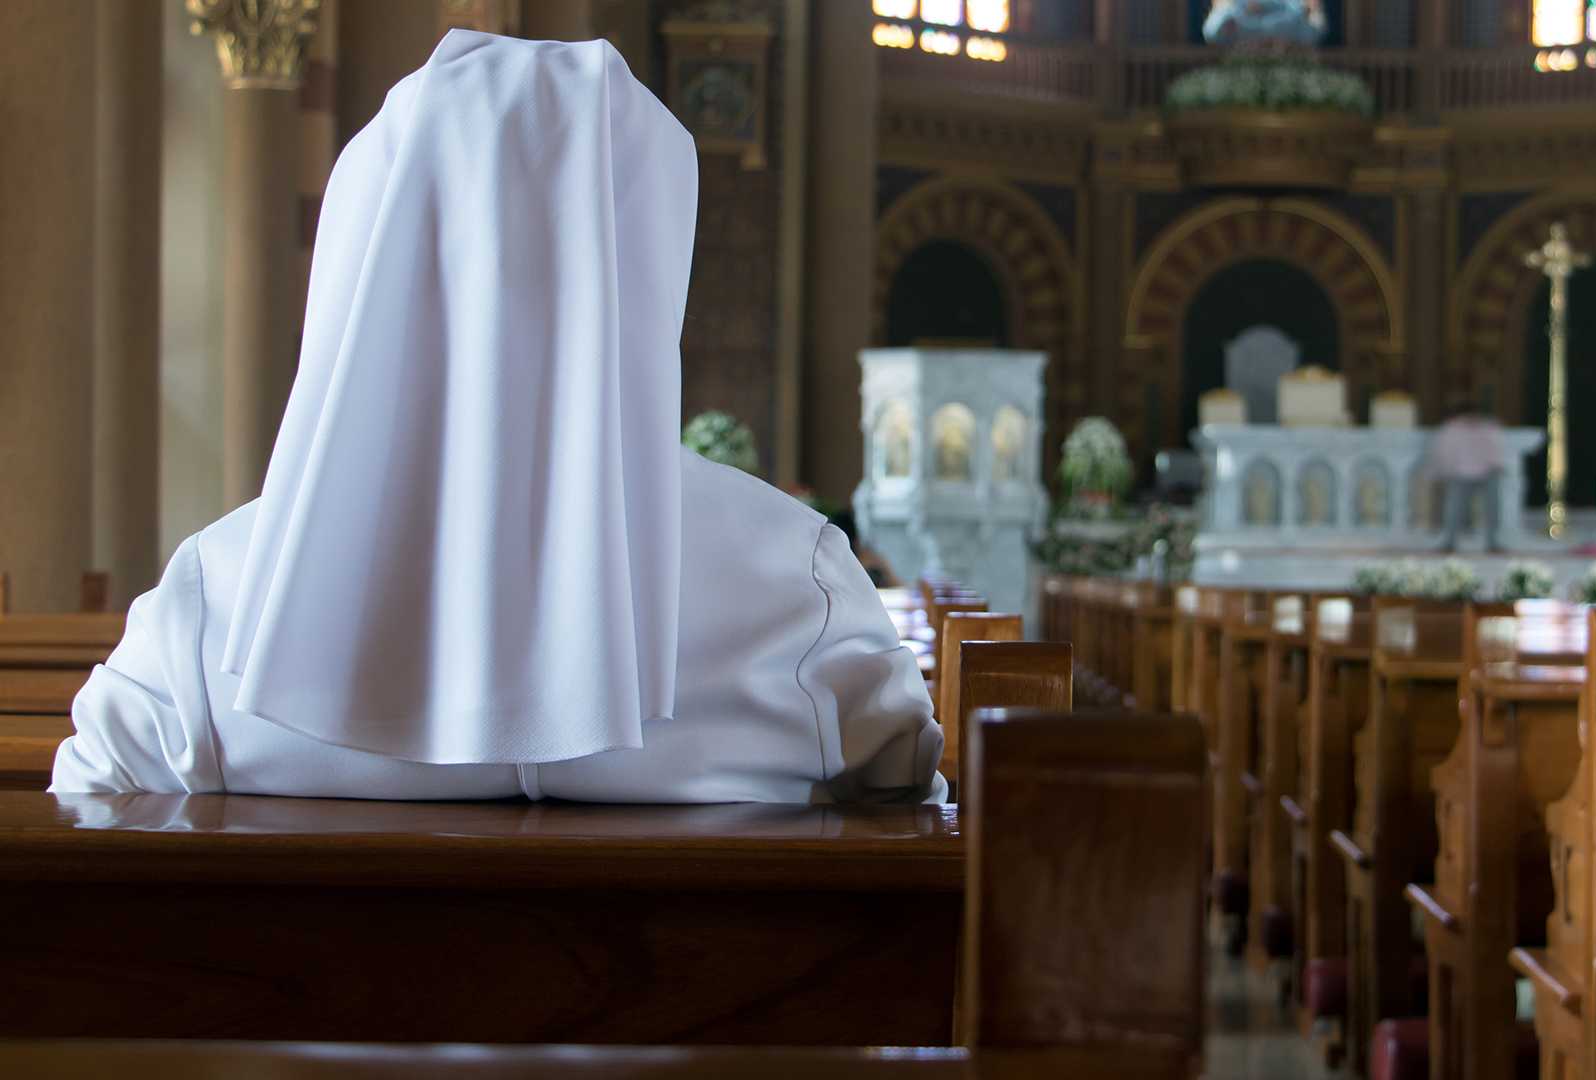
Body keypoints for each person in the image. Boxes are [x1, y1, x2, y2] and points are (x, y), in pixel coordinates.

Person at [51, 33, 944, 804]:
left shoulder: (215, 608)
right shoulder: (798, 587)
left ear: (369, 257)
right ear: (645, 267)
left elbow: (79, 836)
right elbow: (919, 824)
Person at [1431, 403, 1506, 553]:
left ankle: (1492, 542)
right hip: (1461, 474)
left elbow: (1495, 447)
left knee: (1492, 510)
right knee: (1455, 510)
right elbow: (1445, 452)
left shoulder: (1486, 428)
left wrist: (1496, 464)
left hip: (1486, 473)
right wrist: (1447, 470)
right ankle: (1450, 541)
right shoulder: (1452, 429)